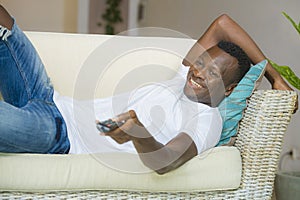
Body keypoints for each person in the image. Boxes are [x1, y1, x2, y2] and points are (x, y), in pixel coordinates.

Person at [0, 5, 296, 175]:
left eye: (214, 73)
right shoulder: (185, 77)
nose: (198, 72)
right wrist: (274, 76)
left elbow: (166, 161)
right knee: (3, 18)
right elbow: (223, 23)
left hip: (58, 134)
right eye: (201, 62)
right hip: (48, 98)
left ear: (229, 89)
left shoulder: (207, 121)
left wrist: (137, 134)